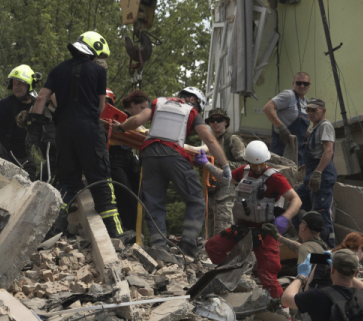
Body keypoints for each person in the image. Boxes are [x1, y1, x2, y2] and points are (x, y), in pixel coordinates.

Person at [111, 86, 231, 257]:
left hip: (149, 154)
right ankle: (188, 243)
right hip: (173, 154)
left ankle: (158, 246)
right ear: (194, 101)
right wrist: (225, 166)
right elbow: (210, 140)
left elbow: (137, 120)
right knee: (196, 199)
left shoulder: (157, 102)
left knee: (154, 202)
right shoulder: (191, 112)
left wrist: (120, 128)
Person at [28, 31, 126, 239]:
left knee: (66, 181)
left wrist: (35, 127)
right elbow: (101, 106)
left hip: (62, 130)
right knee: (100, 178)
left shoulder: (57, 70)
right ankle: (116, 232)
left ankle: (53, 229)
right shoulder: (98, 72)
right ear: (93, 51)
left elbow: (41, 99)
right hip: (89, 128)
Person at [199, 141, 302, 298]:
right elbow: (224, 177)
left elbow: (296, 200)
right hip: (242, 229)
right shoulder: (244, 172)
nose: (259, 168)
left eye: (261, 164)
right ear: (248, 162)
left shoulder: (275, 178)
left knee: (267, 274)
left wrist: (284, 218)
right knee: (213, 246)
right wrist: (206, 163)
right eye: (255, 165)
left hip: (265, 232)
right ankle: (232, 279)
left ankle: (281, 310)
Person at [282, 249, 363, 321]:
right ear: (357, 272)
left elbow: (286, 299)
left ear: (332, 269)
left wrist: (301, 276)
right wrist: (351, 273)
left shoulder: (318, 296)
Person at [293, 98, 337, 248]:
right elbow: (316, 152)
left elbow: (328, 150)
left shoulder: (325, 126)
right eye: (308, 110)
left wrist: (318, 172)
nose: (310, 113)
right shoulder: (314, 130)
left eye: (314, 110)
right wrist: (307, 167)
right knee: (296, 204)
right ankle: (308, 242)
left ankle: (328, 250)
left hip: (321, 177)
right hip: (311, 176)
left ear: (323, 111)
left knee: (321, 214)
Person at [0, 64, 39, 181]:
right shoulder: (5, 104)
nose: (16, 87)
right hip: (4, 154)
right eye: (14, 83)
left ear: (29, 85)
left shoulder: (36, 106)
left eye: (20, 83)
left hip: (24, 156)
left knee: (31, 183)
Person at [109, 90, 149, 231]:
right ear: (132, 104)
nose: (144, 113)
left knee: (138, 198)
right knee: (125, 196)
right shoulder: (120, 117)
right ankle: (126, 230)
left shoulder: (136, 123)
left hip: (129, 159)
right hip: (115, 158)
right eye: (142, 108)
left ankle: (137, 233)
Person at [204, 108, 246, 238]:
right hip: (210, 194)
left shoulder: (232, 139)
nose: (215, 123)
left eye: (219, 120)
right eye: (212, 120)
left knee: (223, 234)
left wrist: (217, 162)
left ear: (226, 122)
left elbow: (245, 167)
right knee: (210, 238)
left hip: (227, 194)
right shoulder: (209, 143)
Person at [263, 72, 311, 165]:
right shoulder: (289, 95)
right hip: (282, 146)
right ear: (293, 84)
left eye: (305, 83)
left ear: (309, 85)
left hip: (297, 148)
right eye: (298, 83)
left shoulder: (307, 103)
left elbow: (302, 129)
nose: (302, 86)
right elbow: (268, 108)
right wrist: (281, 128)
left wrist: (315, 136)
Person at [263, 210, 330, 264]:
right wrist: (278, 236)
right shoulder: (323, 245)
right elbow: (299, 247)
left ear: (304, 227)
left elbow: (303, 277)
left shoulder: (305, 248)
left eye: (301, 222)